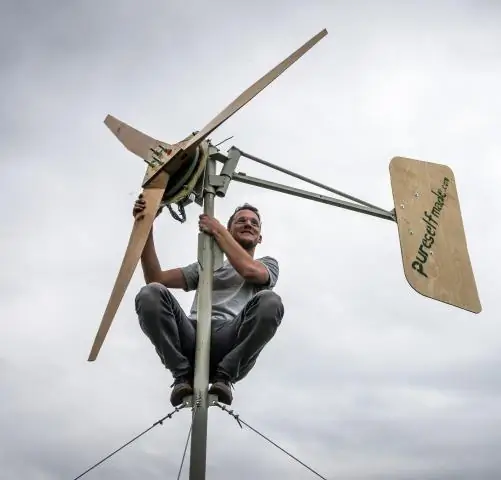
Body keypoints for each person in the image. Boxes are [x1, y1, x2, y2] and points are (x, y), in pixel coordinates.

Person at [133, 194, 284, 407]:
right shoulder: (207, 266)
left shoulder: (267, 264)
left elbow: (251, 272)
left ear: (260, 237)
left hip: (231, 341)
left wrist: (217, 230)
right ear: (231, 230)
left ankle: (225, 376)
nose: (248, 224)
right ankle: (182, 374)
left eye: (254, 223)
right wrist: (145, 226)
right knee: (150, 293)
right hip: (192, 336)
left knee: (270, 301)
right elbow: (155, 278)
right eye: (241, 220)